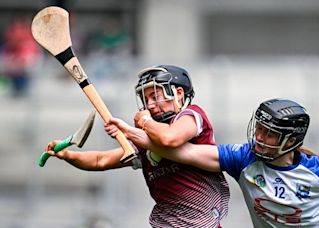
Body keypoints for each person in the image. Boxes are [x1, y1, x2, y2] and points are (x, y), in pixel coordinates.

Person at [107, 98, 319, 228]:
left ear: (291, 140)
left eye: (269, 133)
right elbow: (184, 153)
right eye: (259, 129)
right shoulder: (243, 158)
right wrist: (131, 131)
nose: (259, 137)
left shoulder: (318, 172)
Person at [46, 65, 229, 228]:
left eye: (155, 96)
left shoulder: (191, 115)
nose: (149, 105)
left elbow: (169, 138)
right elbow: (100, 161)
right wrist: (68, 156)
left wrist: (142, 123)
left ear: (179, 94)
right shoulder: (146, 140)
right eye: (145, 99)